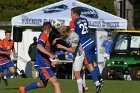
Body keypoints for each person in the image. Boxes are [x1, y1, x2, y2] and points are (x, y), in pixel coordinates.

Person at [19, 22, 61, 93]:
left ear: (42, 28)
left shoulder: (44, 36)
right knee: (56, 83)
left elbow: (43, 52)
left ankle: (24, 89)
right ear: (50, 29)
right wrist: (50, 54)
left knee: (43, 84)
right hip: (43, 65)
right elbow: (39, 46)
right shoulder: (43, 36)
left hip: (44, 64)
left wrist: (51, 61)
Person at [70, 7, 103, 93]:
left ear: (74, 14)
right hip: (91, 41)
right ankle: (100, 78)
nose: (70, 15)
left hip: (85, 44)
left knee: (88, 65)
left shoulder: (73, 22)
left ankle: (97, 83)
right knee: (93, 62)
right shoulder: (85, 19)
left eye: (71, 13)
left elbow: (73, 35)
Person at [53, 26, 88, 93]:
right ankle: (84, 86)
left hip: (79, 55)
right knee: (79, 73)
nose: (62, 35)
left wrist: (61, 46)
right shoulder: (67, 34)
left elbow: (72, 50)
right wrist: (57, 39)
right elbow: (63, 37)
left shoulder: (75, 37)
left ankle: (81, 91)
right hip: (75, 55)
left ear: (66, 32)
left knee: (76, 75)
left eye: (62, 34)